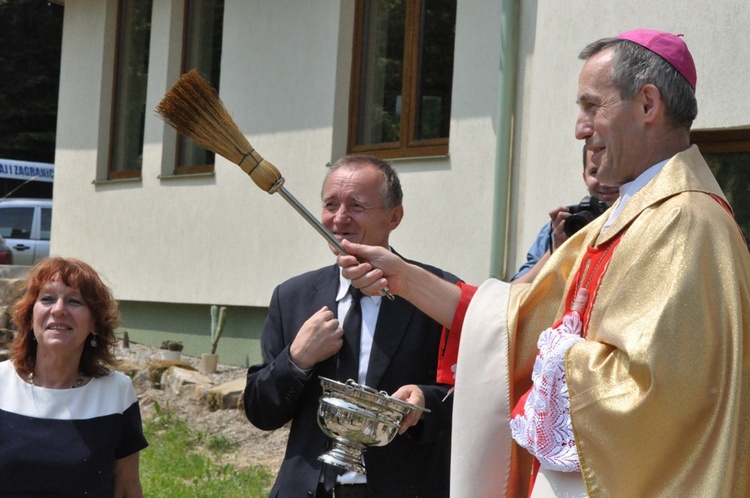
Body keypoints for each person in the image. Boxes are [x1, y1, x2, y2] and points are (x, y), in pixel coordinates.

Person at [338, 29, 750, 497]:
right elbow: (512, 319)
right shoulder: (623, 219)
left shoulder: (687, 222)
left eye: (592, 106)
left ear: (647, 104)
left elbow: (665, 401)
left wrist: (560, 357)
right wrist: (402, 275)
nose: (580, 127)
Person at [244, 155, 458, 498]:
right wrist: (297, 359)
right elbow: (260, 411)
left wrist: (424, 400)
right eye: (331, 204)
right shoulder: (293, 297)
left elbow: (470, 395)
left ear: (394, 216)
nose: (339, 218)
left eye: (356, 205)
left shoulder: (439, 295)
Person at [0, 257, 148, 496]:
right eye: (47, 299)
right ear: (30, 316)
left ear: (95, 324)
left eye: (74, 301)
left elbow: (127, 488)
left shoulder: (116, 392)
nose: (58, 309)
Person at [512, 146, 618, 282]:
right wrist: (557, 249)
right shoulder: (561, 228)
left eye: (611, 169)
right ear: (584, 177)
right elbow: (514, 291)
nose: (603, 181)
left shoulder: (639, 221)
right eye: (594, 172)